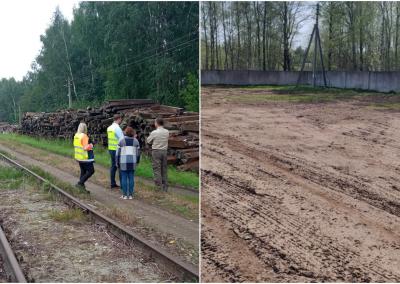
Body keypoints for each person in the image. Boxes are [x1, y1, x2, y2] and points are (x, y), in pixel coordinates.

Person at [116, 126, 140, 200]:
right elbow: (138, 153)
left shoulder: (121, 141)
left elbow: (117, 153)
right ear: (133, 133)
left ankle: (124, 195)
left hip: (123, 162)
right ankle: (130, 195)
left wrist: (117, 162)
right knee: (131, 177)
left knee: (123, 177)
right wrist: (137, 161)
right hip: (132, 162)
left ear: (125, 132)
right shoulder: (136, 141)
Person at [147, 117, 169, 192]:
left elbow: (148, 141)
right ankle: (165, 187)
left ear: (157, 123)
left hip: (156, 151)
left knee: (157, 169)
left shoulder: (154, 132)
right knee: (164, 169)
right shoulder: (167, 132)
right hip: (164, 151)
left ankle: (158, 187)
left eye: (155, 122)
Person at [73, 122, 94, 192]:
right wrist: (91, 145)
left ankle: (82, 188)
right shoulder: (84, 136)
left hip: (79, 157)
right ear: (85, 128)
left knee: (83, 171)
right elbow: (85, 148)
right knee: (91, 171)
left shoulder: (76, 135)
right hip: (85, 158)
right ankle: (80, 183)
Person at [107, 114, 124, 190]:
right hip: (117, 149)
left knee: (113, 166)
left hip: (111, 148)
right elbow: (122, 140)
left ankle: (112, 183)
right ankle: (122, 185)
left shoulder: (109, 128)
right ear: (119, 119)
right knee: (120, 166)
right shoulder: (117, 128)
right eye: (121, 119)